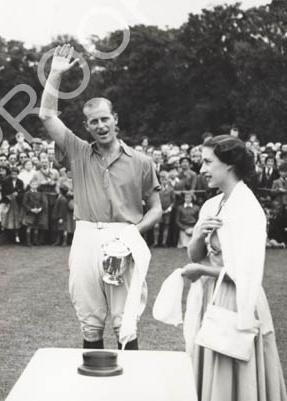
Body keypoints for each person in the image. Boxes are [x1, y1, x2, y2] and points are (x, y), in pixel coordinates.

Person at [38, 44, 162, 350]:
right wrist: (55, 72)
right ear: (86, 126)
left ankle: (131, 393)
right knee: (90, 322)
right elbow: (46, 114)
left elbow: (156, 208)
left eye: (105, 119)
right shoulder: (78, 151)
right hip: (86, 235)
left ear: (115, 119)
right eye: (93, 122)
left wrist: (134, 233)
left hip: (124, 236)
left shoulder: (141, 162)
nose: (100, 126)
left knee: (125, 323)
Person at [180, 135, 286, 401]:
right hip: (210, 298)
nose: (201, 169)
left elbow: (245, 273)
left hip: (236, 299)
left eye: (207, 162)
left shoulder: (248, 208)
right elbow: (195, 255)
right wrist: (198, 236)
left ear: (228, 165)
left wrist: (202, 272)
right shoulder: (211, 204)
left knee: (230, 370)